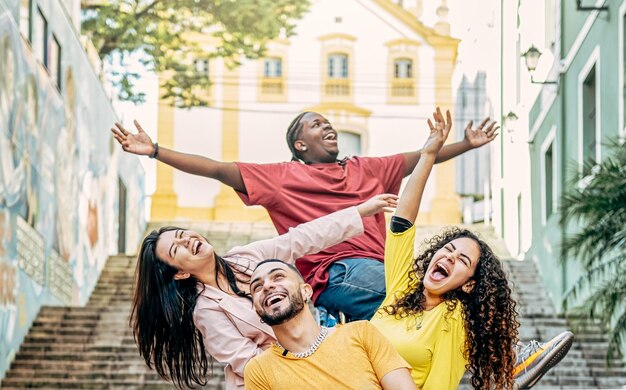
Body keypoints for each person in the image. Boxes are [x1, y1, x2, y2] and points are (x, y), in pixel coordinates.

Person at [112, 111, 498, 321]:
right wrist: (155, 151)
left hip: (383, 269)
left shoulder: (369, 167)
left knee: (409, 334)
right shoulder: (281, 177)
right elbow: (215, 168)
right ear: (300, 144)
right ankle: (504, 357)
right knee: (432, 296)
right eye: (316, 125)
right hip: (337, 274)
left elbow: (424, 156)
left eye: (328, 123)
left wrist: (467, 143)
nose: (327, 126)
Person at [369, 108, 573, 389]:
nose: (449, 256)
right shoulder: (402, 289)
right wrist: (428, 155)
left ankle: (515, 361)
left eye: (462, 260)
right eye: (448, 249)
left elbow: (441, 383)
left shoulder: (452, 319)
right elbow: (402, 223)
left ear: (468, 285)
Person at [130, 194, 398, 389]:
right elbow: (248, 361)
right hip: (269, 380)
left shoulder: (245, 256)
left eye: (181, 234)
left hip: (309, 354)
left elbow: (300, 238)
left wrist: (359, 211)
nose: (187, 240)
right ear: (180, 273)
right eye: (178, 249)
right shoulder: (206, 310)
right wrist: (312, 364)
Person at [244, 258, 417, 390]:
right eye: (257, 287)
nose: (267, 286)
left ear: (306, 291)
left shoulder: (361, 332)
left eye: (278, 276)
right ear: (257, 309)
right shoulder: (259, 370)